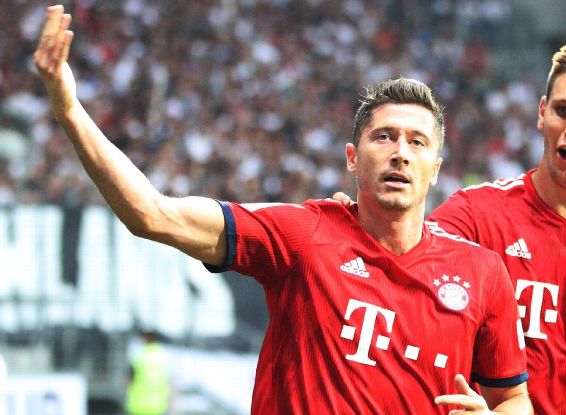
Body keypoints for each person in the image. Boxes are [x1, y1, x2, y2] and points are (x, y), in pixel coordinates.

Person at [34, 5, 532, 414]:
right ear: (353, 159)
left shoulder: (482, 273)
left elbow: (512, 397)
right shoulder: (304, 235)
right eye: (385, 137)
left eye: (417, 142)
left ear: (437, 167)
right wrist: (70, 111)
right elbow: (152, 214)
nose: (401, 151)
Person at [331, 41, 566, 414]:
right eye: (563, 110)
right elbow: (398, 261)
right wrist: (358, 222)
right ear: (542, 114)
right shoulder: (475, 215)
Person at [125, 330, 170, 415]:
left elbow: (129, 380)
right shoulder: (163, 354)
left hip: (138, 405)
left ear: (145, 338)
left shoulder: (138, 355)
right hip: (158, 406)